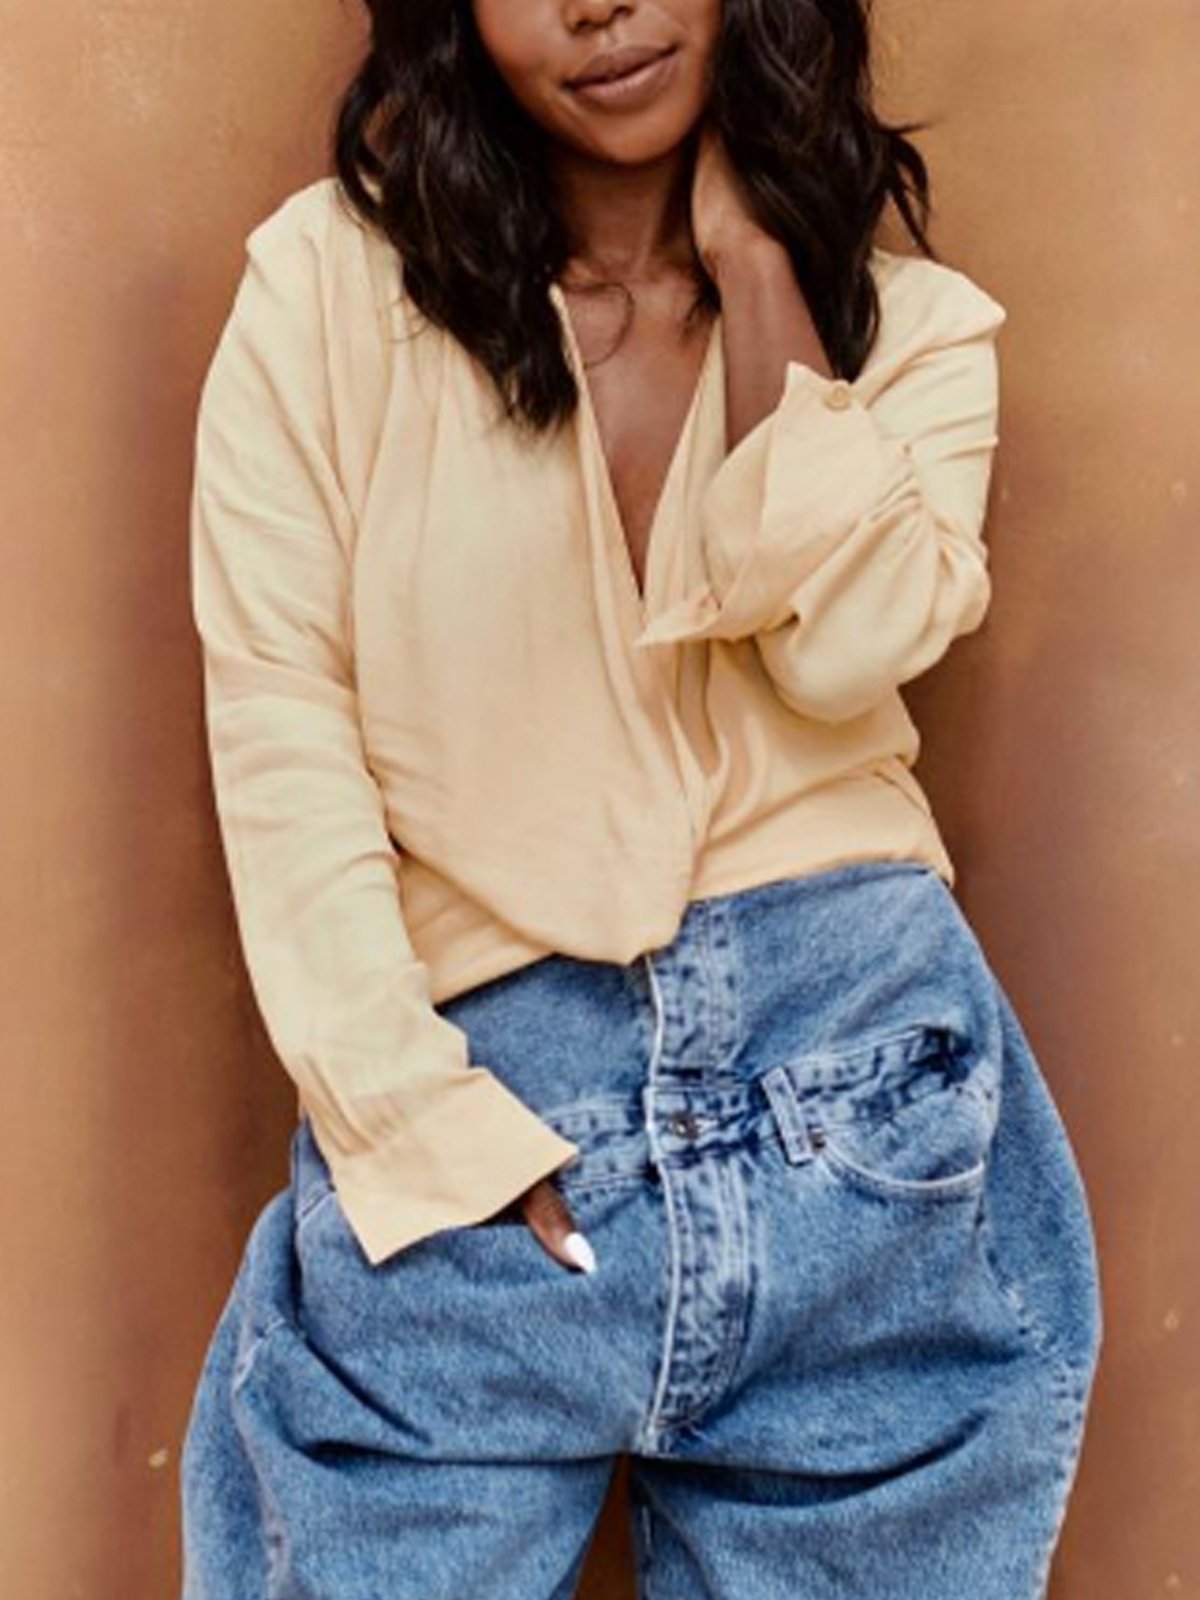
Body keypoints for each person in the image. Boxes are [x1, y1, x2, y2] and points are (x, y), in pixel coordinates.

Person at [179, 1, 1103, 1596]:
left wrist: (758, 266)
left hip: (860, 1104)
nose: (596, 5)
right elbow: (281, 727)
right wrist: (417, 1129)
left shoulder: (916, 334)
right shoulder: (328, 289)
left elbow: (846, 645)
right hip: (496, 1094)